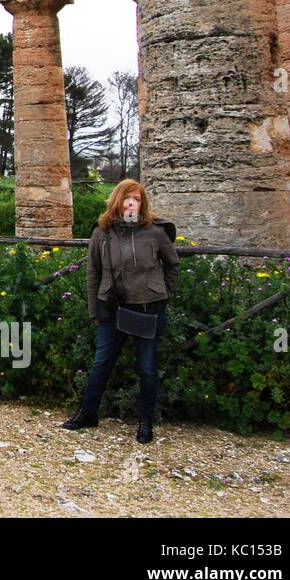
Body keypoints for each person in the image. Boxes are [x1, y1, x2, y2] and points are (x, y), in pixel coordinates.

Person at [61, 180, 180, 444]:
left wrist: (162, 293)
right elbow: (93, 272)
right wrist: (95, 310)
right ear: (117, 201)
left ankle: (146, 422)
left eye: (136, 199)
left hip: (148, 307)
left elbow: (172, 265)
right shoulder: (102, 232)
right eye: (127, 199)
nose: (131, 204)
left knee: (147, 368)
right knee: (101, 364)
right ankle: (87, 413)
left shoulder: (156, 232)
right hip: (111, 307)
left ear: (142, 203)